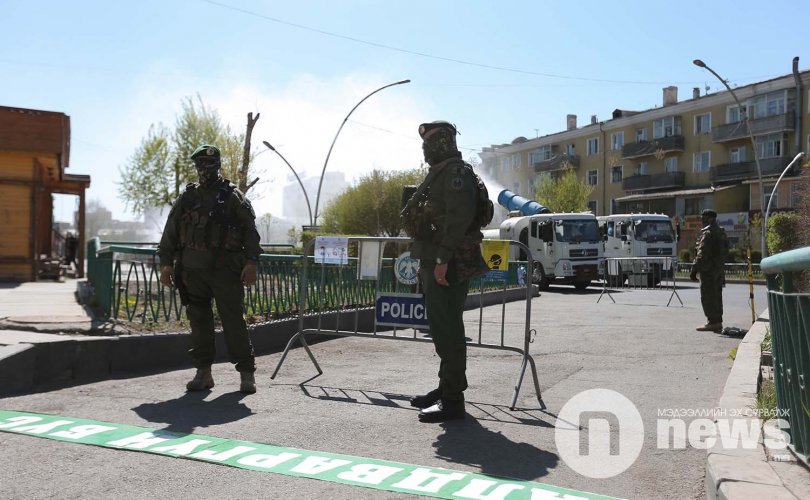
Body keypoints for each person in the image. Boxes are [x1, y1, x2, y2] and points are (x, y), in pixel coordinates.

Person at [157, 144, 262, 394]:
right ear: (196, 167)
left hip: (225, 272)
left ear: (218, 166)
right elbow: (170, 230)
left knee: (233, 322)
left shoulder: (232, 196)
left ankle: (246, 374)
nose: (205, 169)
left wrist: (251, 263)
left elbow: (250, 230)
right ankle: (203, 373)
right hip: (192, 273)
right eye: (201, 164)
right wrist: (165, 264)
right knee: (199, 324)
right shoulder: (188, 197)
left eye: (210, 164)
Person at [402, 121, 488, 423]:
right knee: (441, 328)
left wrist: (440, 260)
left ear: (440, 144)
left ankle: (453, 400)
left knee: (448, 331)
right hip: (437, 260)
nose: (425, 150)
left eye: (429, 144)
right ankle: (445, 388)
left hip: (448, 261)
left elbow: (457, 219)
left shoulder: (455, 174)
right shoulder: (442, 172)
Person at [690, 209, 728, 333]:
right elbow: (725, 251)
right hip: (718, 270)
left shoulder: (708, 233)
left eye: (703, 217)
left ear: (710, 218)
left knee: (707, 296)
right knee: (717, 296)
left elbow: (702, 254)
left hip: (708, 271)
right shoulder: (721, 232)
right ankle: (718, 322)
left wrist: (694, 269)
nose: (702, 220)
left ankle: (712, 322)